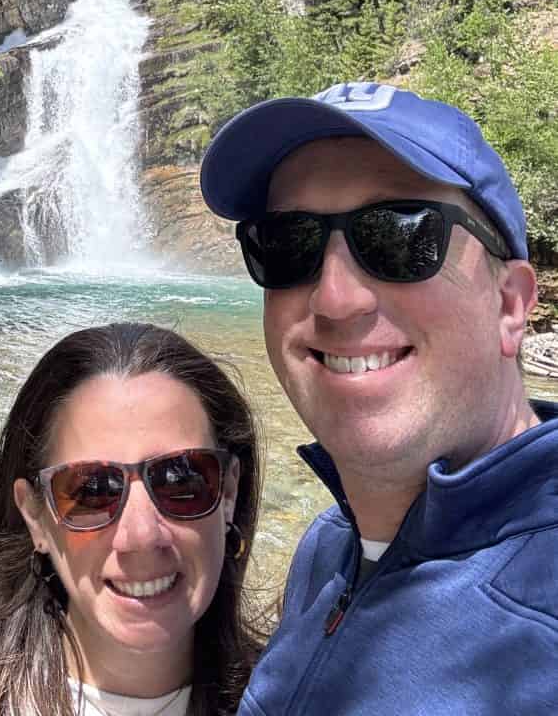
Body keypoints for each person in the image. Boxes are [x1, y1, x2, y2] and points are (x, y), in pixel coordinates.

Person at [200, 81, 558, 715]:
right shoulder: (326, 548)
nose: (336, 298)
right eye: (289, 244)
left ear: (510, 304)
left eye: (400, 236)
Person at [0, 322, 265, 716]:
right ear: (36, 517)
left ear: (228, 492)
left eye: (181, 479)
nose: (140, 535)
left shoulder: (297, 695)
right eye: (92, 490)